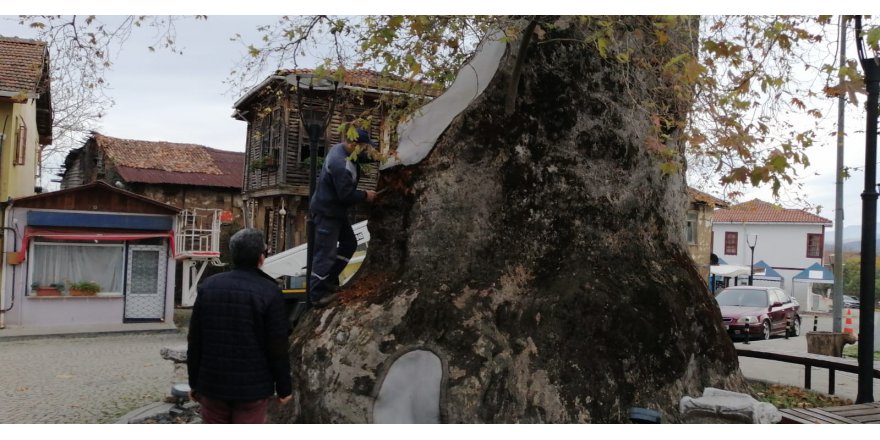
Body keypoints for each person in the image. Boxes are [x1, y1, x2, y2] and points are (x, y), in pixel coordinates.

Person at [187, 228, 292, 423]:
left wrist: (194, 382)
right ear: (261, 258)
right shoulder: (270, 292)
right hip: (252, 387)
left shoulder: (208, 286)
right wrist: (284, 387)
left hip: (212, 384)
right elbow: (277, 346)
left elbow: (195, 341)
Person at [308, 127, 379, 307]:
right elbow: (345, 195)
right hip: (327, 213)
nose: (365, 151)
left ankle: (329, 280)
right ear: (354, 144)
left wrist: (380, 156)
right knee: (325, 255)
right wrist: (366, 196)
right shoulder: (340, 163)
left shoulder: (342, 149)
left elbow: (361, 157)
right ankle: (316, 295)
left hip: (334, 211)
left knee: (350, 244)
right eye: (364, 147)